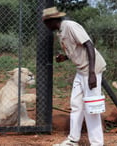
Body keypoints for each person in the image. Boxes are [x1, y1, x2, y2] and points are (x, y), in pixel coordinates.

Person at [42, 7, 106, 146]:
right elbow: (77, 50)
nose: (46, 25)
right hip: (81, 70)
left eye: (47, 22)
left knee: (92, 107)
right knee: (76, 104)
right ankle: (73, 140)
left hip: (91, 69)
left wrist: (92, 74)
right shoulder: (61, 31)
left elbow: (89, 45)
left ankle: (97, 143)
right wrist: (64, 57)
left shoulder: (70, 26)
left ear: (53, 20)